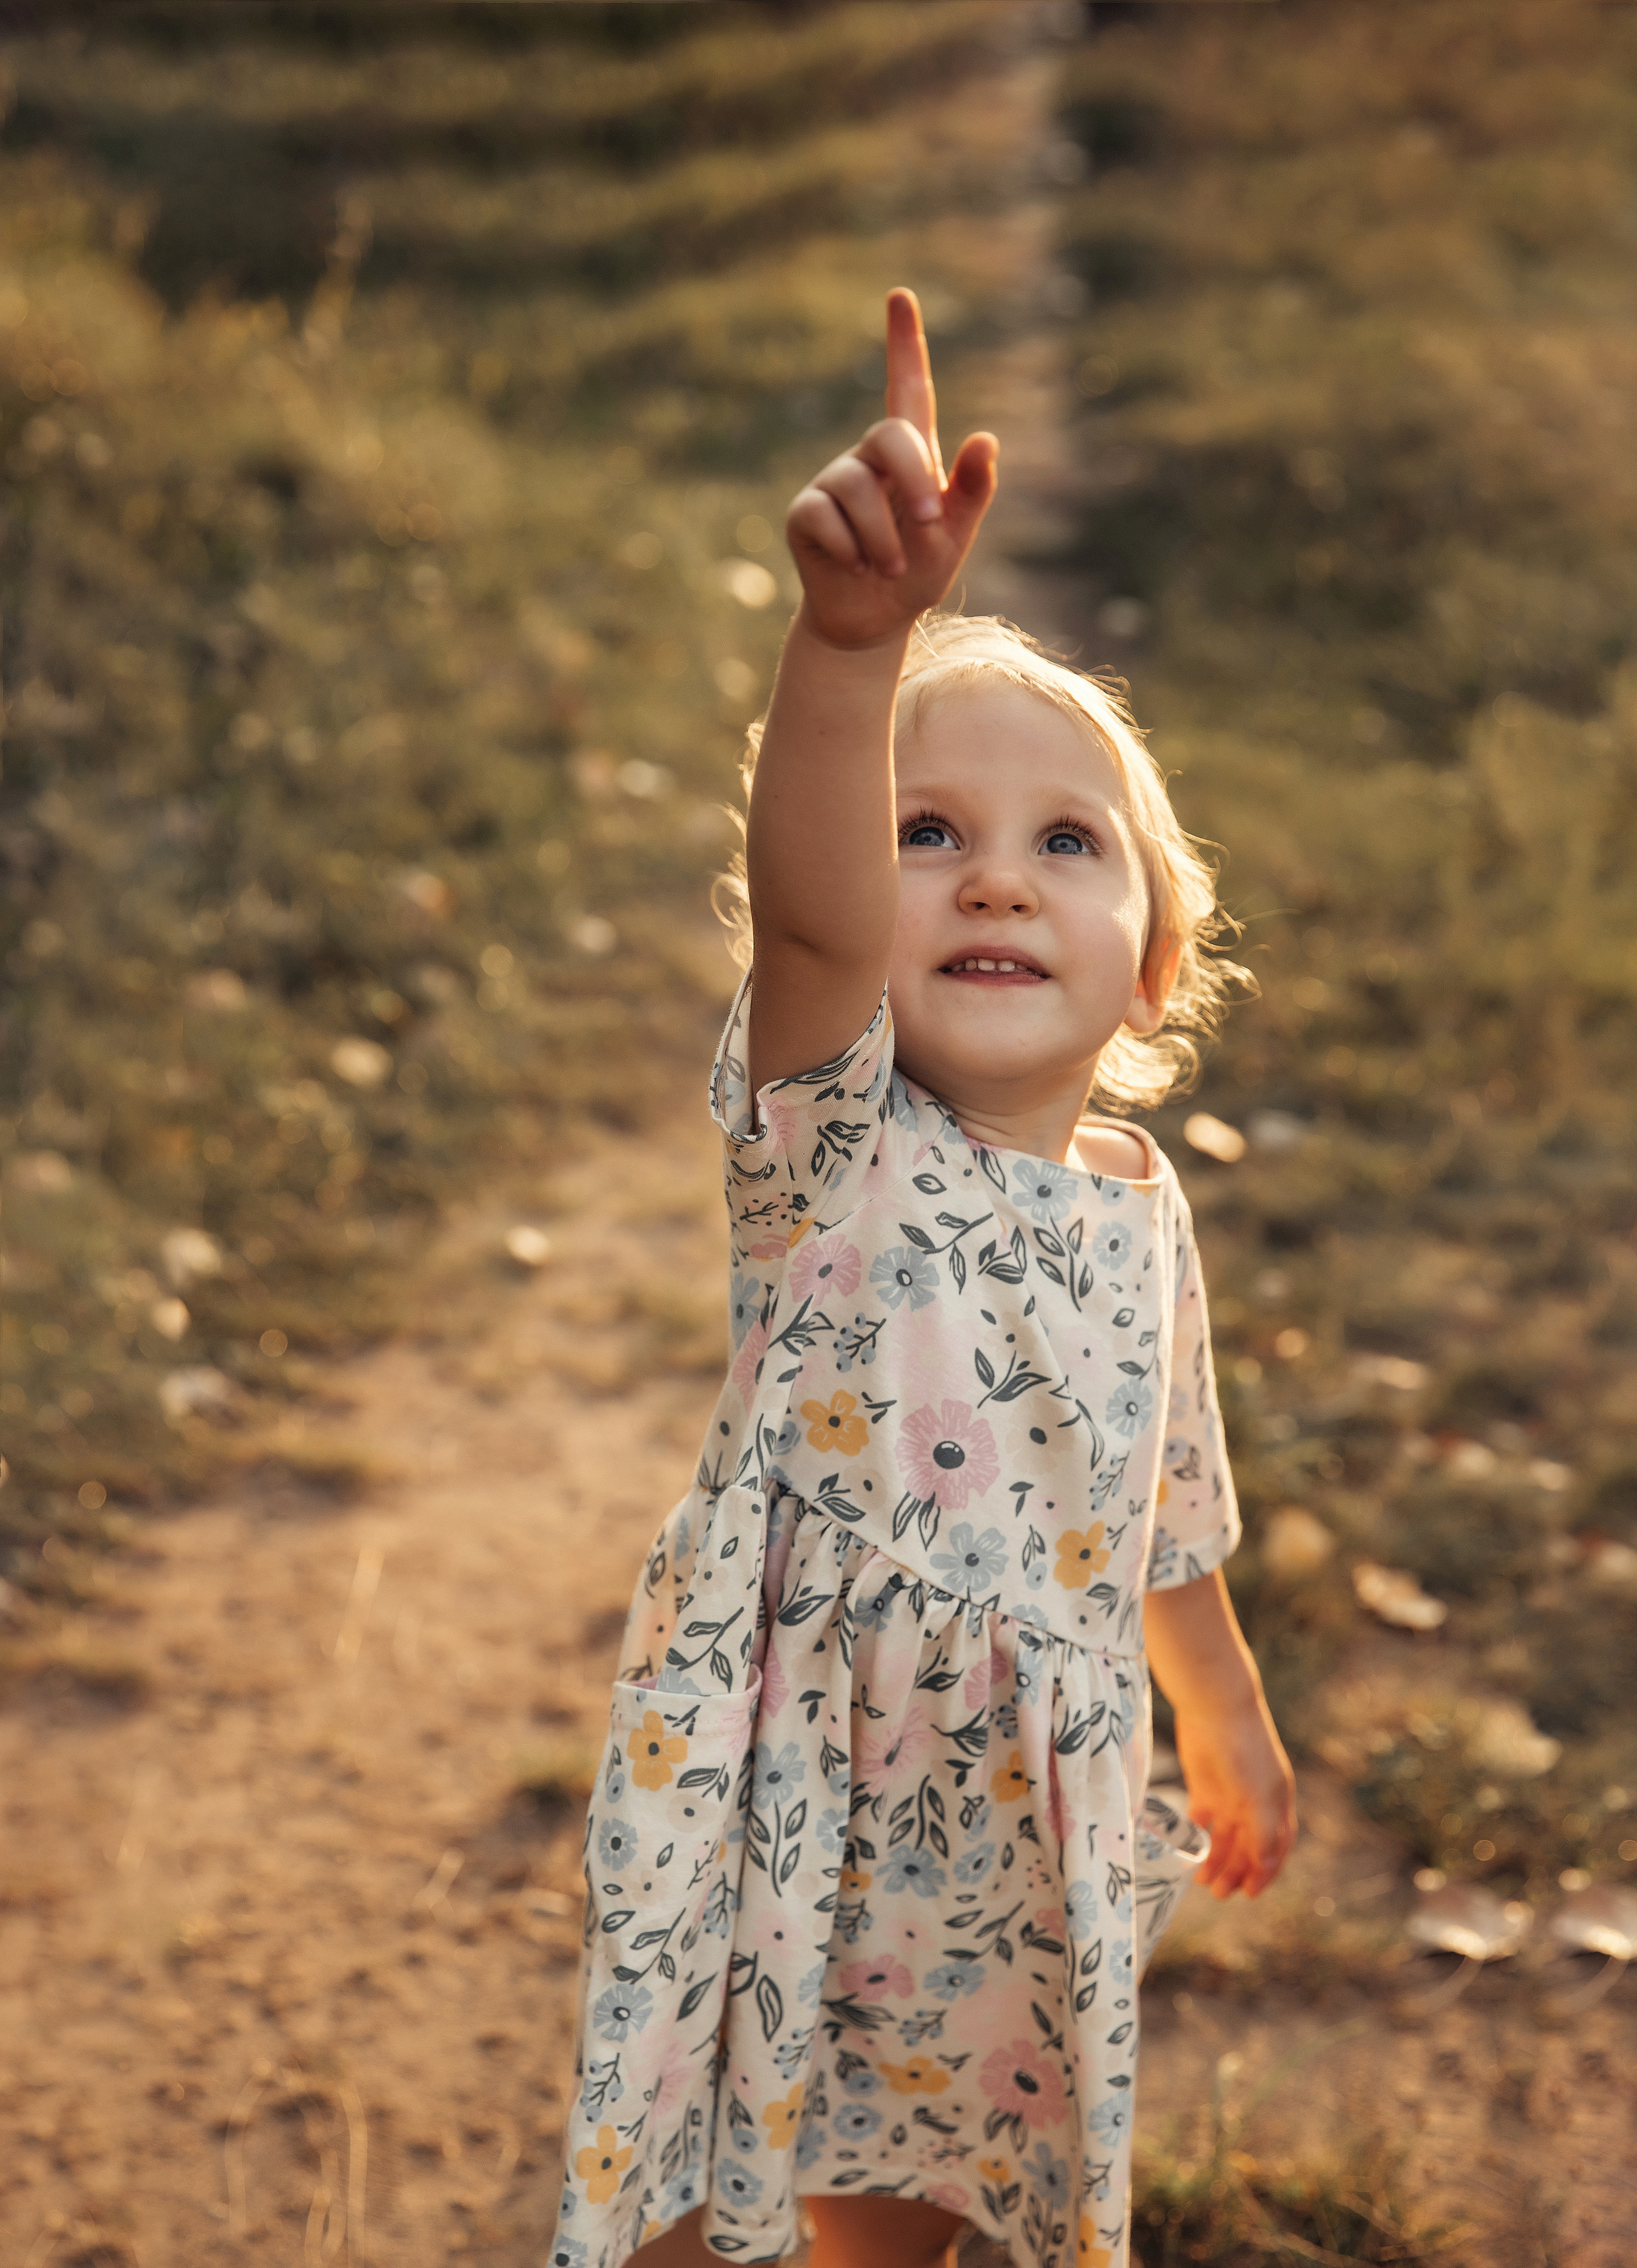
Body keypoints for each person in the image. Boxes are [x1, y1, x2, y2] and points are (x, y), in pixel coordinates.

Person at [552, 289, 1296, 2268]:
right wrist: (848, 649)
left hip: (1008, 1814)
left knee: (920, 2188)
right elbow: (806, 907)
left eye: (1068, 843)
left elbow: (1165, 1498)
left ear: (1155, 960)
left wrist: (1215, 1707)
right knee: (715, 2153)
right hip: (792, 1753)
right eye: (929, 831)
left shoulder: (1142, 1206)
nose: (992, 877)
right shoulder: (834, 1143)